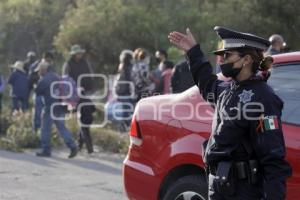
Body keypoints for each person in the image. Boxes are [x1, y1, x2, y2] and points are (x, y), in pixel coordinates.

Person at [168, 26, 292, 200]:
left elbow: (273, 160)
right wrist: (193, 51)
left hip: (243, 191)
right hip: (220, 187)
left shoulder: (264, 98)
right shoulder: (229, 90)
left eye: (228, 55)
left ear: (247, 59)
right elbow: (206, 82)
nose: (222, 60)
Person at [35, 61, 78, 158]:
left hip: (50, 106)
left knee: (45, 129)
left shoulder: (44, 80)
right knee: (62, 127)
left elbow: (37, 91)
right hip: (60, 106)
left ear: (43, 70)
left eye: (39, 70)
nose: (38, 72)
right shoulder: (57, 77)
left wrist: (37, 83)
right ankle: (73, 146)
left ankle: (46, 150)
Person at [30, 51, 55, 132]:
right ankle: (36, 131)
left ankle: (44, 132)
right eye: (48, 60)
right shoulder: (35, 65)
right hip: (39, 92)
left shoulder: (50, 67)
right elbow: (31, 77)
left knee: (46, 114)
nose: (49, 62)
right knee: (37, 113)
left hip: (48, 93)